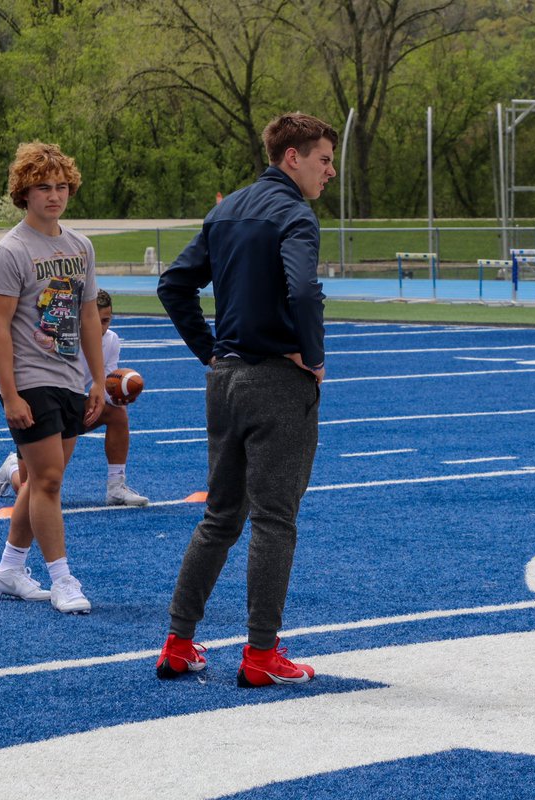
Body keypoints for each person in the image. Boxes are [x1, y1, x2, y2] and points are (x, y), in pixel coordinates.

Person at [154, 112, 336, 688]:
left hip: (225, 380)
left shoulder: (225, 208)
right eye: (324, 159)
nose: (330, 171)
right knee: (274, 521)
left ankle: (179, 644)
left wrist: (209, 351)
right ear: (293, 157)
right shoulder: (294, 214)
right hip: (277, 383)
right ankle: (261, 655)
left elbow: (173, 284)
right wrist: (313, 354)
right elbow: (304, 288)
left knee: (218, 516)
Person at [0, 141, 104, 615]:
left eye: (61, 186)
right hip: (30, 378)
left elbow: (89, 315)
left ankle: (10, 570)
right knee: (50, 479)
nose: (54, 195)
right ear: (24, 193)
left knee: (39, 478)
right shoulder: (10, 251)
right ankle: (63, 579)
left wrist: (98, 378)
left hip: (71, 375)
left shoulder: (80, 246)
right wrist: (10, 393)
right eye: (42, 187)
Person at [0, 289, 150, 506]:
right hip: (43, 404)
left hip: (72, 403)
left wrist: (118, 395)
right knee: (33, 489)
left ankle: (116, 487)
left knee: (118, 413)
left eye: (106, 320)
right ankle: (12, 469)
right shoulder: (57, 338)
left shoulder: (111, 341)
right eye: (96, 319)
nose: (102, 327)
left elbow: (108, 383)